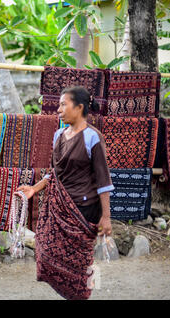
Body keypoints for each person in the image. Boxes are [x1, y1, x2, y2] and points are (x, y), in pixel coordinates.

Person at [17, 86, 114, 300]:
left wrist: (106, 218)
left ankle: (80, 295)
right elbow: (55, 173)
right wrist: (34, 188)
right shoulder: (59, 134)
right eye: (59, 104)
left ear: (79, 108)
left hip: (84, 209)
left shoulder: (93, 138)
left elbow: (103, 181)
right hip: (60, 206)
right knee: (46, 249)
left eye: (63, 104)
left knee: (80, 264)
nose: (58, 109)